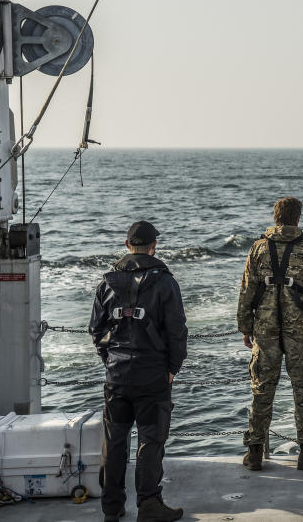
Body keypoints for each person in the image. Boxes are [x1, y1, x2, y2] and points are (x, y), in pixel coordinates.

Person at [89, 221, 188, 522]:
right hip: (153, 376)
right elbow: (177, 332)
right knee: (150, 440)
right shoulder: (165, 282)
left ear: (127, 244)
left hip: (116, 377)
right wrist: (172, 368)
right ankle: (149, 505)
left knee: (115, 442)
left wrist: (111, 361)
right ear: (154, 246)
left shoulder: (107, 282)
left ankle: (112, 507)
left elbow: (96, 330)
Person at [237, 196, 303, 471]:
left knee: (261, 389)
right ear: (298, 219)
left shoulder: (257, 249)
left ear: (275, 217)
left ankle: (254, 452)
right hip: (299, 331)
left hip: (264, 330)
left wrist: (245, 327)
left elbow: (246, 292)